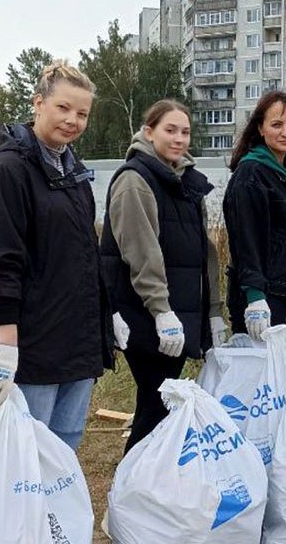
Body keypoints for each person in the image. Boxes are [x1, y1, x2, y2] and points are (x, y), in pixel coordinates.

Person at [0, 61, 114, 451]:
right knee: (25, 450)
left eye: (82, 113)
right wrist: (5, 343)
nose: (72, 121)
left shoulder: (74, 172)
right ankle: (22, 516)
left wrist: (106, 316)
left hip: (76, 338)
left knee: (63, 447)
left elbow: (84, 254)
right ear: (38, 104)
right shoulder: (10, 168)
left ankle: (55, 515)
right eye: (63, 108)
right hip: (31, 341)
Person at [100, 100, 227, 454]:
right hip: (147, 314)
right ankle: (133, 487)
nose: (179, 139)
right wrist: (161, 310)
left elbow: (205, 253)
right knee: (156, 405)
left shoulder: (184, 182)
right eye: (170, 130)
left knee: (160, 404)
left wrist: (213, 311)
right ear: (148, 131)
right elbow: (141, 251)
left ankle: (148, 485)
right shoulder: (135, 180)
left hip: (180, 312)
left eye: (185, 132)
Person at [223, 90, 286, 340]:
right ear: (261, 129)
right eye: (276, 124)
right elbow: (246, 241)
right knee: (264, 376)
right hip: (263, 298)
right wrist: (255, 297)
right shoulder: (250, 175)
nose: (285, 132)